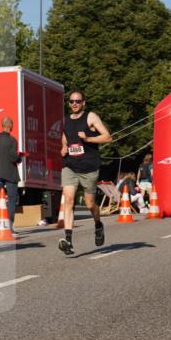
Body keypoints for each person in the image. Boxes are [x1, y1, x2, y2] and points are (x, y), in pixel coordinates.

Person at [58, 91, 111, 255]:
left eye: (78, 101)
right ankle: (68, 240)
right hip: (70, 166)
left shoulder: (91, 117)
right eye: (72, 101)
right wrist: (64, 147)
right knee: (68, 200)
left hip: (89, 167)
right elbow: (65, 137)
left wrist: (88, 139)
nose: (74, 104)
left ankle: (98, 224)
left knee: (89, 204)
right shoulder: (66, 120)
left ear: (84, 103)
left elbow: (108, 137)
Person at [0, 117, 22, 226]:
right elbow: (13, 157)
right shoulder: (12, 140)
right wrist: (19, 158)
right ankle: (10, 226)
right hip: (11, 175)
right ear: (10, 126)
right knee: (12, 201)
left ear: (2, 125)